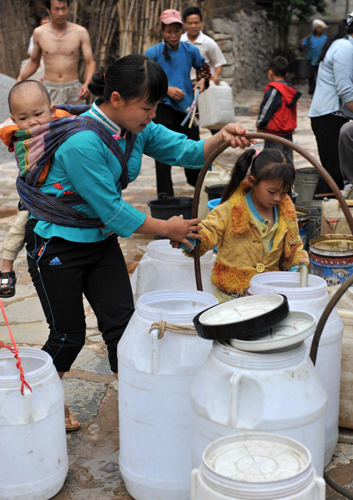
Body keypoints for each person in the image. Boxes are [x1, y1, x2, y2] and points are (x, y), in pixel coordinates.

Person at [16, 55, 253, 430]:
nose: (152, 113)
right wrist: (167, 228)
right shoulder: (81, 144)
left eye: (155, 105)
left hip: (100, 243)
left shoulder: (134, 128)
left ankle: (134, 400)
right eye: (147, 106)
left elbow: (187, 152)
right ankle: (34, 401)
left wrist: (223, 137)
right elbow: (113, 212)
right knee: (68, 336)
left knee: (122, 328)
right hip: (58, 247)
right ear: (116, 99)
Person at [179, 149, 308, 302]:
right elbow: (208, 233)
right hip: (230, 299)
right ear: (253, 182)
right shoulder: (230, 211)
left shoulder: (285, 212)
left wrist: (295, 272)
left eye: (284, 192)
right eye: (272, 191)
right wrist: (187, 238)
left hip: (269, 298)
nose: (277, 197)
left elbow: (293, 249)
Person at [0, 80, 73, 298]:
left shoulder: (65, 125)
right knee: (17, 230)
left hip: (65, 194)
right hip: (36, 198)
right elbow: (32, 171)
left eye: (38, 114)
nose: (32, 122)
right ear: (14, 120)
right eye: (23, 118)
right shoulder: (23, 140)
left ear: (52, 111)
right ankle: (6, 270)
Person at [146, 9, 211, 196]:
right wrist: (166, 89)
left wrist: (202, 81)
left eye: (176, 30)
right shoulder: (153, 53)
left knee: (194, 149)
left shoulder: (191, 50)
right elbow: (146, 79)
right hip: (162, 108)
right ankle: (165, 196)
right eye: (169, 31)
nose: (173, 35)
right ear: (162, 31)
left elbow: (204, 68)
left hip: (187, 109)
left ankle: (198, 188)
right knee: (162, 151)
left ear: (181, 30)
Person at [17, 0, 96, 105]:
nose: (61, 13)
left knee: (77, 121)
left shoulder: (80, 32)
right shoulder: (39, 33)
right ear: (48, 10)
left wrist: (87, 84)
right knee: (50, 120)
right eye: (56, 9)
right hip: (50, 89)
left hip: (74, 90)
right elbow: (34, 62)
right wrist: (21, 77)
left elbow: (90, 62)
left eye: (64, 8)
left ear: (68, 8)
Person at [308, 13, 353, 196]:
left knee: (334, 175)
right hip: (330, 117)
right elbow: (346, 92)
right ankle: (316, 218)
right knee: (333, 178)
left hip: (331, 116)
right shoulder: (344, 48)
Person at [256, 57, 301, 163]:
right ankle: (288, 179)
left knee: (272, 162)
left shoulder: (274, 90)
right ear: (286, 74)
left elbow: (266, 109)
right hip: (287, 132)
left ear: (270, 73)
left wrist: (260, 124)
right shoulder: (290, 90)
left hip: (274, 133)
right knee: (287, 160)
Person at [181, 6, 227, 86]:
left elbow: (219, 63)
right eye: (190, 23)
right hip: (184, 83)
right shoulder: (180, 41)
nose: (193, 26)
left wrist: (216, 75)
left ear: (201, 23)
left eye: (196, 23)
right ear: (184, 23)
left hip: (204, 84)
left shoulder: (208, 42)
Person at [300, 19, 328, 95]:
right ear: (314, 28)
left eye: (320, 28)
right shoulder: (310, 38)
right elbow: (303, 46)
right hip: (311, 60)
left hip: (321, 61)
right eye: (317, 27)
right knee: (311, 77)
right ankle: (312, 91)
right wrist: (301, 46)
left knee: (321, 77)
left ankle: (320, 91)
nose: (318, 29)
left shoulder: (325, 38)